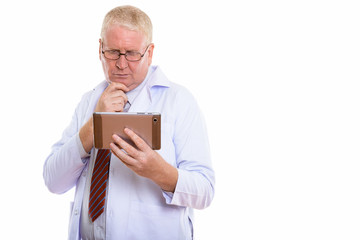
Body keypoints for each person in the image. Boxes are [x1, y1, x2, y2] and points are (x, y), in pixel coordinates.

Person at [43, 5, 215, 240]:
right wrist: (94, 126)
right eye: (113, 52)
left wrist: (160, 172)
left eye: (132, 53)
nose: (121, 64)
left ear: (150, 52)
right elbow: (53, 181)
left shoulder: (179, 101)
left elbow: (205, 192)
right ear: (100, 48)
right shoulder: (88, 101)